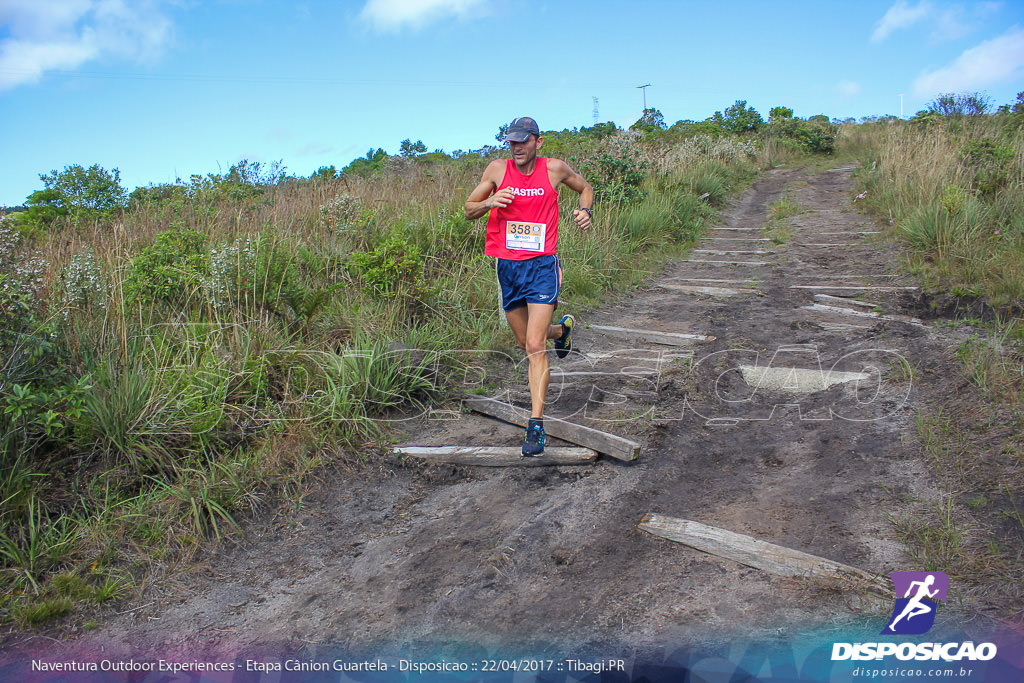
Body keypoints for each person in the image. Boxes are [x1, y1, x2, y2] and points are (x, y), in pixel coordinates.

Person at [465, 116, 593, 456]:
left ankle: (535, 425)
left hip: (541, 267)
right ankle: (562, 331)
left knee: (534, 345)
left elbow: (585, 188)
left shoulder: (555, 169)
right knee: (524, 341)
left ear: (538, 142)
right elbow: (468, 209)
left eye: (523, 141)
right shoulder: (496, 170)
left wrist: (586, 212)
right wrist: (490, 202)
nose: (516, 147)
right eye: (512, 141)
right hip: (507, 268)